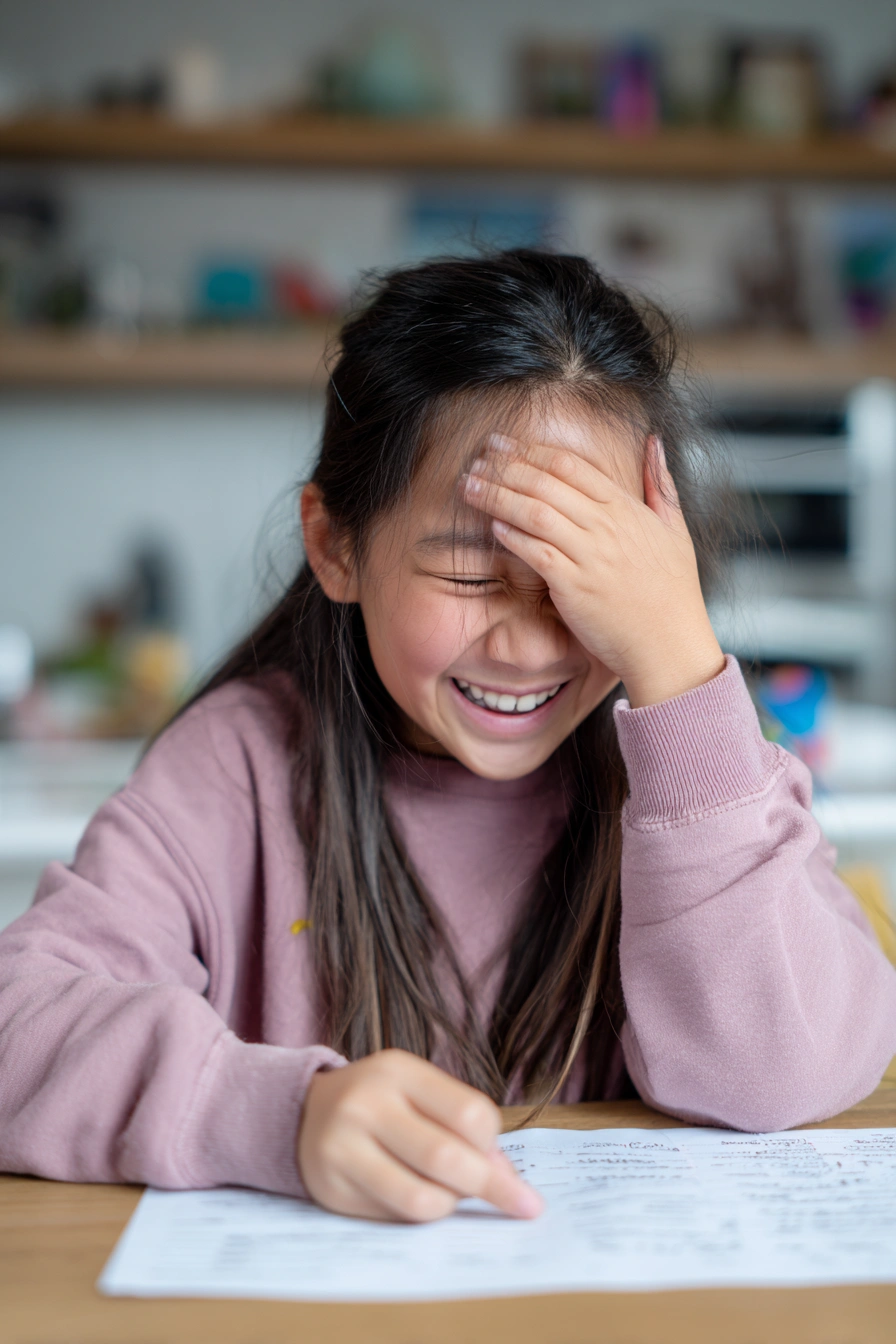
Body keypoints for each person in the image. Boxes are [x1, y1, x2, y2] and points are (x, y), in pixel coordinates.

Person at [1, 249, 894, 1226]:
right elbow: (19, 1025)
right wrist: (274, 1115)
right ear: (337, 546)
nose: (526, 644)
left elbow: (777, 1075)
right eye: (470, 578)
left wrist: (679, 667)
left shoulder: (702, 772)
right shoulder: (235, 770)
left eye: (587, 585)